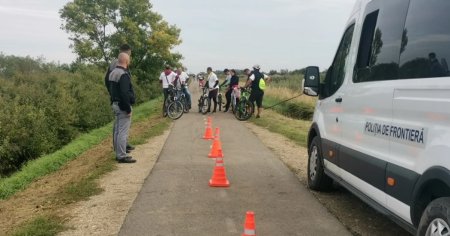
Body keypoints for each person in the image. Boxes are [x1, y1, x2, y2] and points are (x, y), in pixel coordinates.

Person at [104, 44, 134, 153]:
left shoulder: (120, 63)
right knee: (119, 127)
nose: (130, 56)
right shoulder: (116, 64)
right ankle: (120, 150)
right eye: (129, 54)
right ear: (126, 52)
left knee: (120, 127)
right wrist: (113, 94)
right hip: (119, 99)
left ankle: (123, 145)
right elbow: (108, 81)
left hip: (119, 98)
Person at [109, 53, 136, 163]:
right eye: (128, 60)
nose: (129, 61)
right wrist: (128, 108)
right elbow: (124, 93)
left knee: (117, 131)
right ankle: (121, 156)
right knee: (122, 132)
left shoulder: (113, 73)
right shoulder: (123, 74)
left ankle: (118, 153)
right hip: (122, 106)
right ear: (125, 61)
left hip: (115, 104)